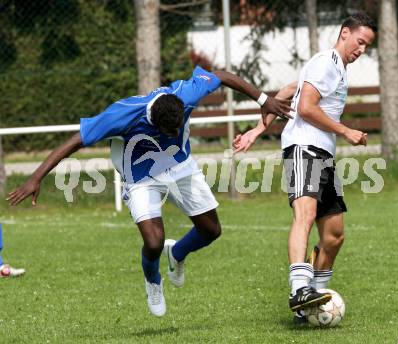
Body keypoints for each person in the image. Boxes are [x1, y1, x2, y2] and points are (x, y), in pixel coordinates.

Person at [7, 66, 292, 317]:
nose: (176, 131)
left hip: (181, 166)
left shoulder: (185, 95)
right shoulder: (121, 116)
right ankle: (153, 282)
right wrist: (36, 177)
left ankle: (177, 254)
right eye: (170, 130)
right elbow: (74, 141)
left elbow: (223, 76)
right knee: (153, 242)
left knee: (211, 231)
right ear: (155, 123)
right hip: (139, 175)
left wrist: (264, 100)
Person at [233, 12, 377, 318]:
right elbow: (306, 107)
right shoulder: (326, 61)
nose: (362, 50)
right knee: (306, 214)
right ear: (344, 33)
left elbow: (287, 93)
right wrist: (345, 130)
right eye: (360, 42)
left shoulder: (335, 68)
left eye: (367, 46)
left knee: (334, 235)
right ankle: (300, 290)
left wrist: (258, 130)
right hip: (303, 147)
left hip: (323, 153)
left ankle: (315, 295)